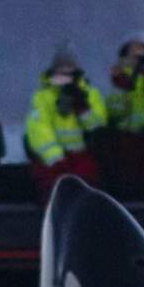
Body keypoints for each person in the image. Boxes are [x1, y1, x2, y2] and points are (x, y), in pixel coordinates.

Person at [24, 48, 108, 199]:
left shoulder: (90, 94)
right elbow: (38, 130)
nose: (64, 76)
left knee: (89, 193)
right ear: (52, 72)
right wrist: (56, 159)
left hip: (83, 159)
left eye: (69, 72)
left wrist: (83, 109)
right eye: (60, 71)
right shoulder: (41, 97)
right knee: (55, 193)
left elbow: (98, 127)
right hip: (52, 163)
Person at [99, 33, 144, 200]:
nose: (138, 59)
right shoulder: (121, 79)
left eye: (142, 55)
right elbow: (113, 113)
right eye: (132, 55)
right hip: (126, 146)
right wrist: (121, 87)